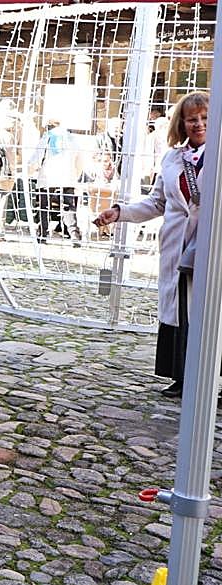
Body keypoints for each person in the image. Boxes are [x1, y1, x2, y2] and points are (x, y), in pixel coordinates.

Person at [94, 91, 208, 398]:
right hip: (176, 245)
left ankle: (213, 381)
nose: (198, 124)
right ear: (182, 124)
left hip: (209, 246)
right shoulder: (173, 157)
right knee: (180, 308)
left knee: (211, 311)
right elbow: (158, 201)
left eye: (205, 118)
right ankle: (183, 375)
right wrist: (119, 213)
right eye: (192, 119)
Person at [30, 117, 82, 243]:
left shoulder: (47, 137)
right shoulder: (71, 138)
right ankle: (74, 234)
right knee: (68, 208)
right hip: (66, 178)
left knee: (44, 207)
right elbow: (79, 160)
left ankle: (43, 234)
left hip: (47, 178)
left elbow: (37, 157)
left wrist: (31, 169)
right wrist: (76, 176)